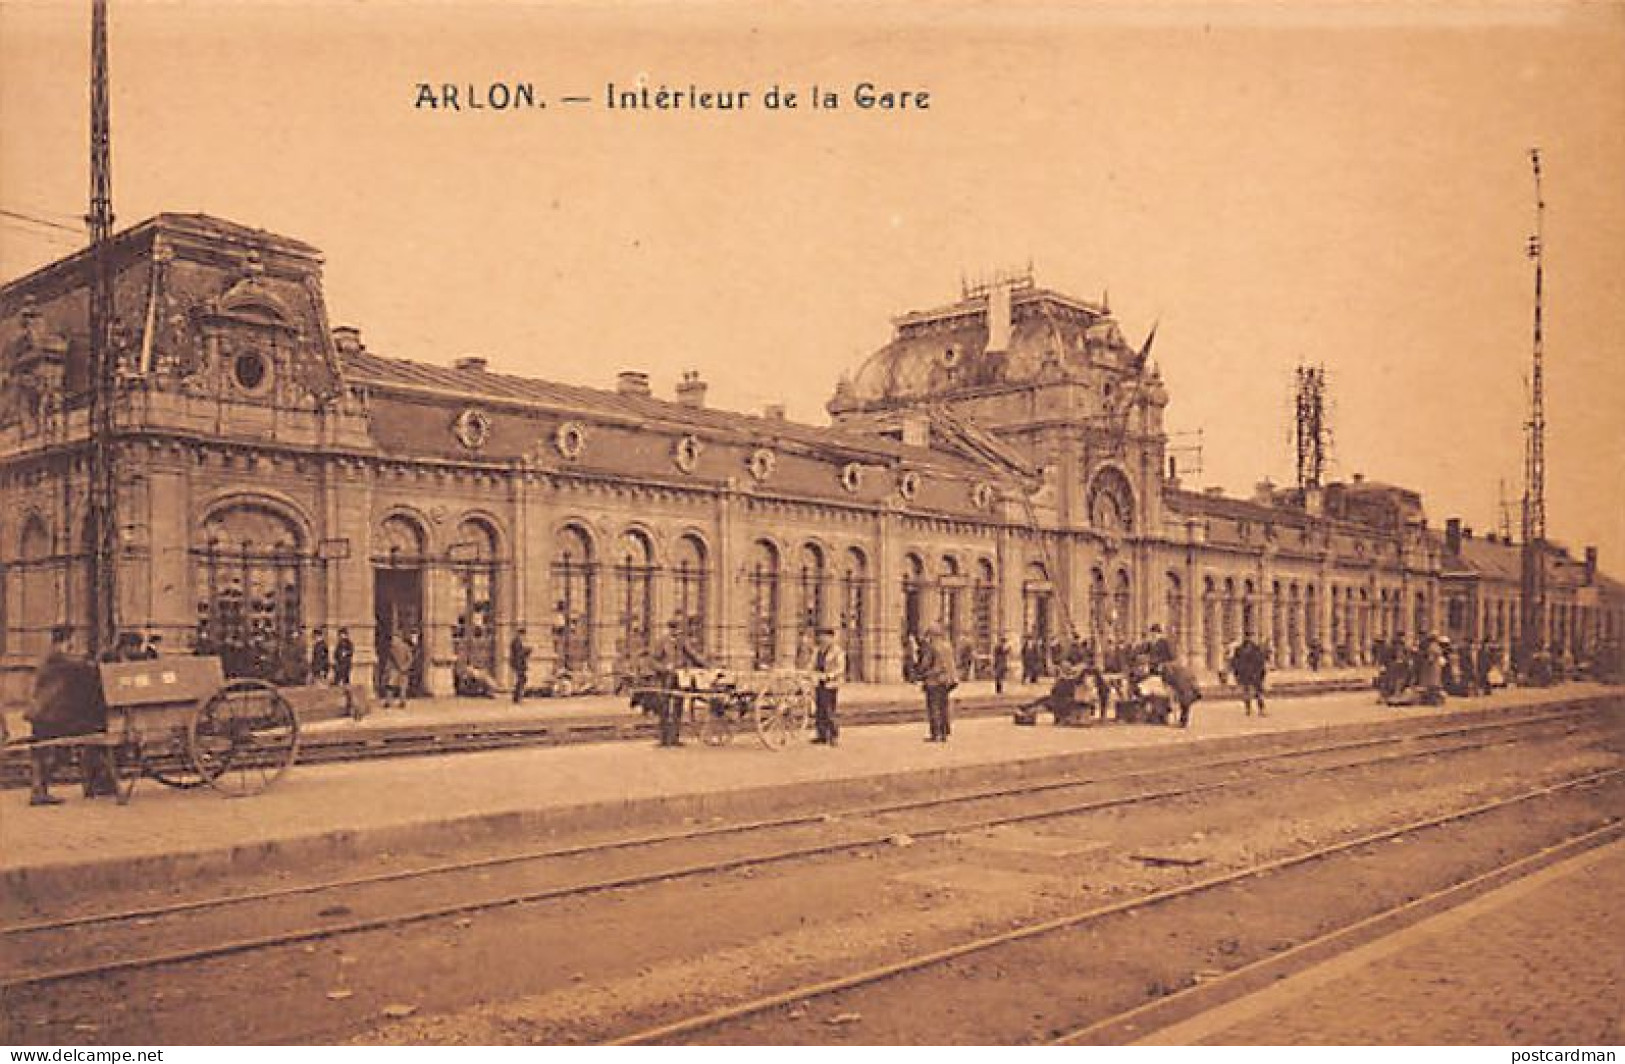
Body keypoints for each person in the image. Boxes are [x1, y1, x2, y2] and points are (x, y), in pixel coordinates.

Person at [26, 627, 107, 806]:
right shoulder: (60, 658)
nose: (73, 644)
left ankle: (40, 790)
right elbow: (85, 669)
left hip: (41, 712)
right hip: (51, 714)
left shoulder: (50, 657)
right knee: (88, 735)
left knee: (45, 752)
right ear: (67, 640)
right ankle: (93, 781)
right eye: (71, 640)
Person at [652, 618, 705, 747]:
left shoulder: (682, 642)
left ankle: (675, 738)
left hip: (680, 678)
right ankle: (664, 740)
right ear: (669, 629)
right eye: (674, 630)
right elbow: (654, 661)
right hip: (666, 679)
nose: (676, 633)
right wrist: (664, 668)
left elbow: (693, 655)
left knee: (678, 707)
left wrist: (707, 666)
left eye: (678, 630)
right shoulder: (661, 642)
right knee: (664, 708)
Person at [918, 627, 959, 742]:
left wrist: (920, 672)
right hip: (946, 681)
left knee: (934, 707)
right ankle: (944, 733)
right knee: (943, 707)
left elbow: (925, 664)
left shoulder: (932, 647)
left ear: (932, 635)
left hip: (934, 680)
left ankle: (935, 734)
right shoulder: (947, 646)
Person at [811, 626, 846, 746]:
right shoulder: (818, 650)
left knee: (829, 710)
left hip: (830, 684)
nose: (823, 639)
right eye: (821, 637)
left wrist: (830, 675)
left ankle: (833, 735)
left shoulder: (838, 651)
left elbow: (841, 668)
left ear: (831, 638)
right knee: (819, 710)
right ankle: (821, 735)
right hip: (819, 682)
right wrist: (810, 673)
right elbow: (812, 664)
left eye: (825, 637)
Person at [1230, 635, 1268, 716]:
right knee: (1257, 693)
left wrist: (1237, 675)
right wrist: (1262, 674)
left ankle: (1250, 709)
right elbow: (1261, 663)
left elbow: (1234, 663)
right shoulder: (1256, 649)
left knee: (1249, 693)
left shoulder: (1240, 650)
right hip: (1253, 675)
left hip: (1246, 675)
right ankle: (1259, 710)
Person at [381, 630, 413, 708]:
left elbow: (410, 658)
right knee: (395, 686)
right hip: (398, 669)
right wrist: (406, 666)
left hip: (397, 670)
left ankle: (398, 701)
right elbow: (410, 659)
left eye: (395, 638)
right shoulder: (403, 647)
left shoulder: (398, 647)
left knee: (394, 686)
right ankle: (391, 701)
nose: (394, 640)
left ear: (399, 638)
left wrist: (405, 666)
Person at [509, 627, 532, 704]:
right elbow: (519, 654)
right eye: (523, 635)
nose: (524, 637)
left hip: (519, 663)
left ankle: (517, 697)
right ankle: (517, 697)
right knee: (522, 679)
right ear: (520, 634)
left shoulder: (516, 641)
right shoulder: (516, 641)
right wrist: (527, 651)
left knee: (522, 679)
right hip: (518, 664)